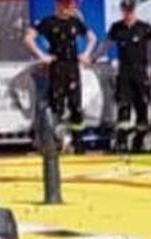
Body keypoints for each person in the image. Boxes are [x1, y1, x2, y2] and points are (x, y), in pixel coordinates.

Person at [27, 0, 99, 141]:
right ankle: (56, 140)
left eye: (71, 5)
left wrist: (85, 54)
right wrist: (42, 56)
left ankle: (77, 141)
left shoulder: (75, 22)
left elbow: (92, 38)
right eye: (65, 5)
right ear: (58, 5)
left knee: (75, 105)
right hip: (57, 66)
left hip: (72, 66)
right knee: (56, 105)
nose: (68, 8)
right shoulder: (48, 22)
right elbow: (28, 38)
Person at [108, 0, 151, 152]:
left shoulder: (144, 28)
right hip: (124, 74)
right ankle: (121, 143)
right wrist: (91, 58)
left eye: (130, 10)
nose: (128, 13)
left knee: (142, 108)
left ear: (134, 10)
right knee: (123, 108)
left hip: (141, 73)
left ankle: (138, 142)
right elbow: (106, 45)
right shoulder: (116, 28)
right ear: (122, 10)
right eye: (125, 10)